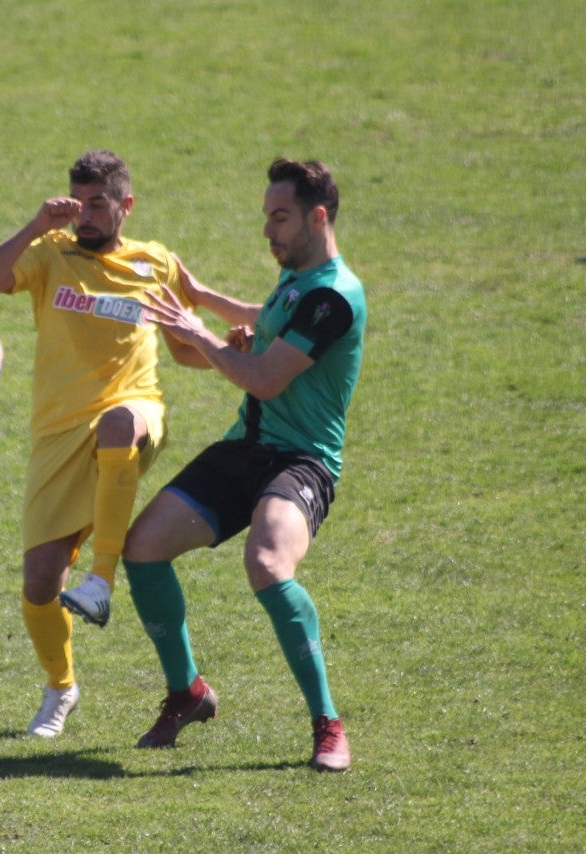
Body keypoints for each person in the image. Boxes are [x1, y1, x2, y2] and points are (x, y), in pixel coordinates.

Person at [121, 158, 365, 771]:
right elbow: (267, 318)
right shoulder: (297, 281)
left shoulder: (332, 297)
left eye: (279, 218)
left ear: (317, 216)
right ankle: (188, 692)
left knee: (266, 560)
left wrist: (197, 332)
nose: (267, 232)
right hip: (246, 449)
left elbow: (261, 377)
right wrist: (202, 299)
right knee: (142, 547)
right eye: (266, 217)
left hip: (303, 460)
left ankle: (328, 723)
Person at [0, 150, 203, 738]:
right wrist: (37, 225)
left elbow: (185, 347)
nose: (86, 215)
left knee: (118, 423)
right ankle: (61, 687)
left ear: (126, 205)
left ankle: (100, 580)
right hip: (58, 434)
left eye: (99, 203)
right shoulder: (49, 255)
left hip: (135, 413)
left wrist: (236, 348)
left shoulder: (156, 263)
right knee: (39, 584)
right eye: (79, 202)